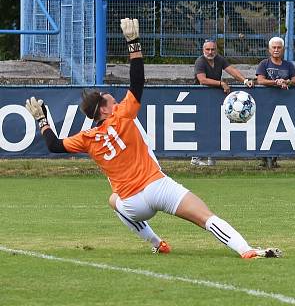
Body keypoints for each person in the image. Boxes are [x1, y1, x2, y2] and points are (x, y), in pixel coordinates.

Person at [23, 18, 281, 259]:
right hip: (157, 187)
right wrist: (133, 44)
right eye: (106, 97)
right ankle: (246, 250)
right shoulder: (121, 115)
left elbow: (54, 145)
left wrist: (43, 121)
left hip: (133, 204)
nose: (112, 96)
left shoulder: (87, 138)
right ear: (103, 109)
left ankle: (157, 243)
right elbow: (137, 82)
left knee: (113, 200)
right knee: (206, 218)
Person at [191, 39, 253, 166]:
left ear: (216, 50)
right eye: (207, 49)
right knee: (202, 127)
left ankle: (211, 156)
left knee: (214, 126)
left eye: (213, 49)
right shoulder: (200, 61)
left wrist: (245, 80)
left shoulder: (219, 59)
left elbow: (232, 71)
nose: (210, 52)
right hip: (200, 98)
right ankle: (195, 157)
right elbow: (202, 80)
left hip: (214, 98)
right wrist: (221, 83)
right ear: (203, 50)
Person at [250, 36, 295, 167]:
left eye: (279, 47)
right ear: (269, 49)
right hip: (266, 104)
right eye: (274, 47)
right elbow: (260, 80)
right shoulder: (264, 64)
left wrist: (287, 81)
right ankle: (264, 159)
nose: (276, 50)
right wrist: (276, 82)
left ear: (283, 49)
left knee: (280, 131)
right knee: (264, 130)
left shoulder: (288, 65)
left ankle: (274, 158)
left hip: (283, 105)